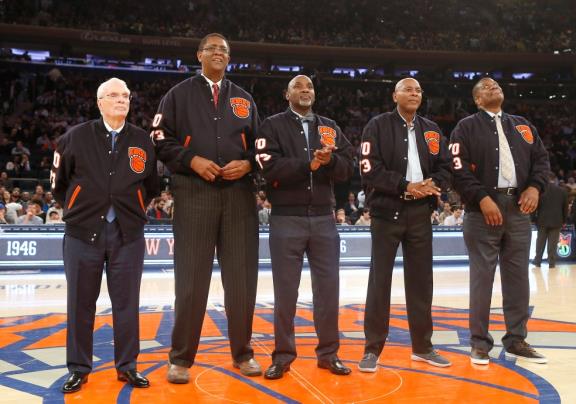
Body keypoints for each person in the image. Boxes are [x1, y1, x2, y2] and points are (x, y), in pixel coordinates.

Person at [151, 33, 261, 383]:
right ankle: (181, 359)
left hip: (239, 197)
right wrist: (191, 160)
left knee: (242, 281)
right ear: (199, 55)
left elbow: (261, 148)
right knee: (191, 281)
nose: (218, 53)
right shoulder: (177, 95)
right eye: (211, 48)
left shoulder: (244, 99)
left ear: (229, 59)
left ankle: (243, 354)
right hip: (194, 193)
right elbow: (158, 139)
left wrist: (248, 165)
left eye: (224, 50)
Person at [51, 77, 158, 393]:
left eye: (126, 95)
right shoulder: (74, 137)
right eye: (114, 95)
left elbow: (150, 187)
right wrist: (82, 207)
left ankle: (127, 366)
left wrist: (130, 207)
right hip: (83, 233)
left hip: (128, 234)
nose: (121, 100)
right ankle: (79, 368)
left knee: (127, 303)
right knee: (80, 303)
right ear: (99, 102)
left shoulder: (143, 140)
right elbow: (60, 186)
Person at [256, 74, 354, 380]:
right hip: (287, 217)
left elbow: (348, 165)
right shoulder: (271, 125)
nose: (305, 90)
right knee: (286, 292)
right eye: (298, 86)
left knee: (328, 290)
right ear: (287, 94)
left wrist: (329, 162)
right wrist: (306, 166)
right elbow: (266, 165)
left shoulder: (329, 126)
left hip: (324, 218)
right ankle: (283, 356)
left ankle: (329, 354)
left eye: (309, 86)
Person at [449, 77, 550, 365]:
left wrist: (535, 187)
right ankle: (479, 343)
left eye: (496, 86)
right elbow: (457, 169)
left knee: (518, 277)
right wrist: (481, 197)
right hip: (483, 210)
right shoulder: (465, 127)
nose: (493, 87)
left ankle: (516, 339)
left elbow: (541, 160)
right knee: (483, 277)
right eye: (485, 87)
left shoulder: (523, 125)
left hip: (518, 207)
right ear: (477, 100)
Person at [358, 78, 452, 372]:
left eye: (418, 90)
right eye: (408, 89)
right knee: (379, 283)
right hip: (387, 213)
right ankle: (372, 349)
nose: (414, 93)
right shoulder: (376, 125)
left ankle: (423, 347)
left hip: (421, 214)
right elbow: (368, 168)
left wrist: (431, 186)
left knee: (422, 283)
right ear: (394, 95)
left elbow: (447, 166)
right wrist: (406, 186)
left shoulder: (432, 130)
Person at [533, 173, 568, 268]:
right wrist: (564, 221)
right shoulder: (562, 191)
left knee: (540, 242)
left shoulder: (540, 191)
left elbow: (534, 206)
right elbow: (565, 208)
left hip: (542, 220)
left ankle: (537, 261)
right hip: (557, 220)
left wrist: (534, 219)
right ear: (555, 179)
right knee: (553, 243)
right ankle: (551, 263)